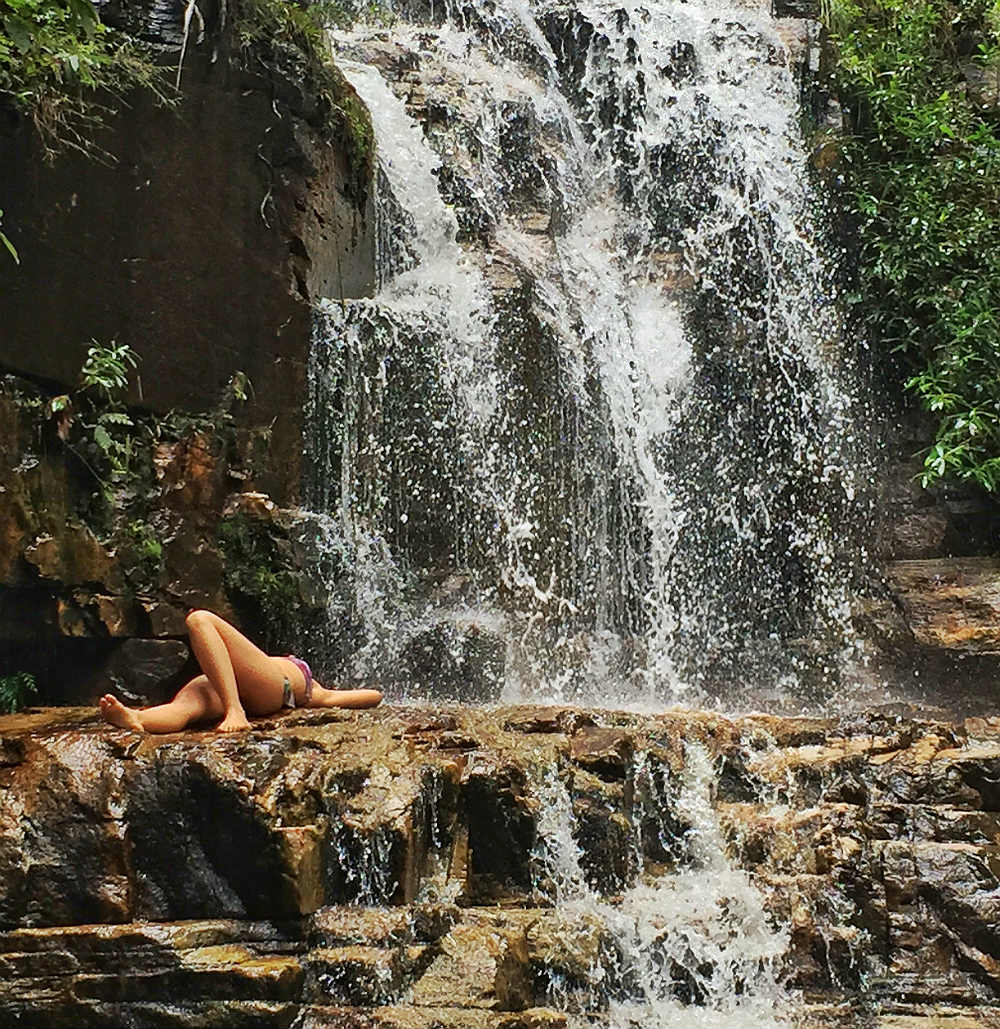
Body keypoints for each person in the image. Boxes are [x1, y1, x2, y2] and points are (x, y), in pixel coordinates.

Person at [98, 609, 382, 733]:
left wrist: (375, 696)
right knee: (186, 708)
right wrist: (376, 695)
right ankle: (138, 719)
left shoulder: (311, 691)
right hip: (228, 684)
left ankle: (234, 709)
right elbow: (373, 696)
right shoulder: (309, 689)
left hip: (267, 690)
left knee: (200, 620)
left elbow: (368, 697)